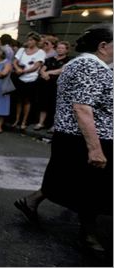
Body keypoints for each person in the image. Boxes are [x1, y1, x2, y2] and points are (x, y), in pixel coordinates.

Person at [14, 24, 113, 253]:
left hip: (75, 136)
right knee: (91, 188)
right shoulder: (90, 65)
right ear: (103, 46)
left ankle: (32, 202)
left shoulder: (83, 63)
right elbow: (81, 108)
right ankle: (88, 234)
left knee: (67, 179)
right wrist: (95, 149)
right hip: (83, 137)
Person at [33, 41, 71, 131]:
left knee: (55, 105)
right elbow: (42, 69)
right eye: (58, 48)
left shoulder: (69, 60)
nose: (60, 50)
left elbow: (61, 70)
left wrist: (48, 72)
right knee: (44, 104)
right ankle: (40, 123)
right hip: (46, 85)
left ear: (66, 50)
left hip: (58, 85)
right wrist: (43, 73)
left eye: (62, 48)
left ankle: (54, 125)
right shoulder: (49, 59)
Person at [11, 32, 46, 130]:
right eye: (28, 40)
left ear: (36, 41)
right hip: (20, 78)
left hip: (31, 79)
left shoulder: (40, 52)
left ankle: (24, 121)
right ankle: (17, 120)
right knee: (18, 100)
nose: (29, 42)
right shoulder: (22, 50)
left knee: (27, 101)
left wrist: (23, 71)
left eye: (31, 40)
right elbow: (15, 61)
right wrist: (17, 68)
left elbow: (36, 66)